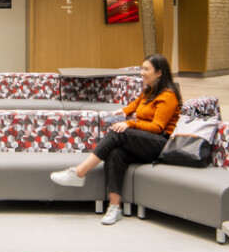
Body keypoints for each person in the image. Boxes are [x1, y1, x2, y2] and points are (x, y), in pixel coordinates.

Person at [49, 55, 181, 224]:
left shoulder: (168, 96)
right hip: (144, 140)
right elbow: (134, 106)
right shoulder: (149, 90)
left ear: (159, 73)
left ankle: (80, 172)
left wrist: (130, 124)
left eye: (146, 69)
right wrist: (121, 113)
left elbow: (157, 127)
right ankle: (114, 206)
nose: (142, 73)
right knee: (115, 153)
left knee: (120, 132)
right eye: (141, 68)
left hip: (158, 144)